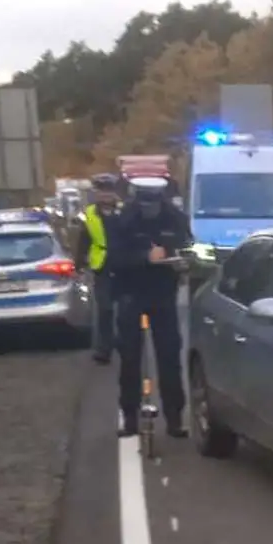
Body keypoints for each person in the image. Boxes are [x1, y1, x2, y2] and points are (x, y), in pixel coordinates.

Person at [109, 176, 192, 438]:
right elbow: (114, 258)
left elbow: (188, 245)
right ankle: (130, 417)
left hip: (163, 293)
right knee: (130, 358)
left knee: (169, 355)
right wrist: (145, 257)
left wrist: (184, 260)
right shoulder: (123, 220)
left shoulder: (175, 218)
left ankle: (175, 417)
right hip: (131, 291)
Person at [75, 173, 123, 364]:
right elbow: (83, 240)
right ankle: (105, 349)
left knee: (127, 309)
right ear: (96, 194)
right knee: (105, 310)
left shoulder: (124, 211)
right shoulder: (90, 214)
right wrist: (79, 263)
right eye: (101, 192)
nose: (105, 196)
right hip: (102, 266)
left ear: (114, 193)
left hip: (124, 266)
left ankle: (127, 344)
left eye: (108, 192)